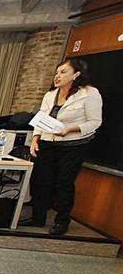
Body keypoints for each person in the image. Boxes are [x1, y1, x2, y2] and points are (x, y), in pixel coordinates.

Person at [23, 58, 103, 236]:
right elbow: (40, 120)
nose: (57, 76)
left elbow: (95, 122)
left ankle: (62, 221)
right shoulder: (50, 95)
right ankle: (37, 217)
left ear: (76, 75)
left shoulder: (89, 93)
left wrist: (70, 129)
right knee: (40, 181)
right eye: (57, 72)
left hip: (73, 145)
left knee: (63, 183)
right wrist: (35, 139)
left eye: (63, 72)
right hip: (47, 142)